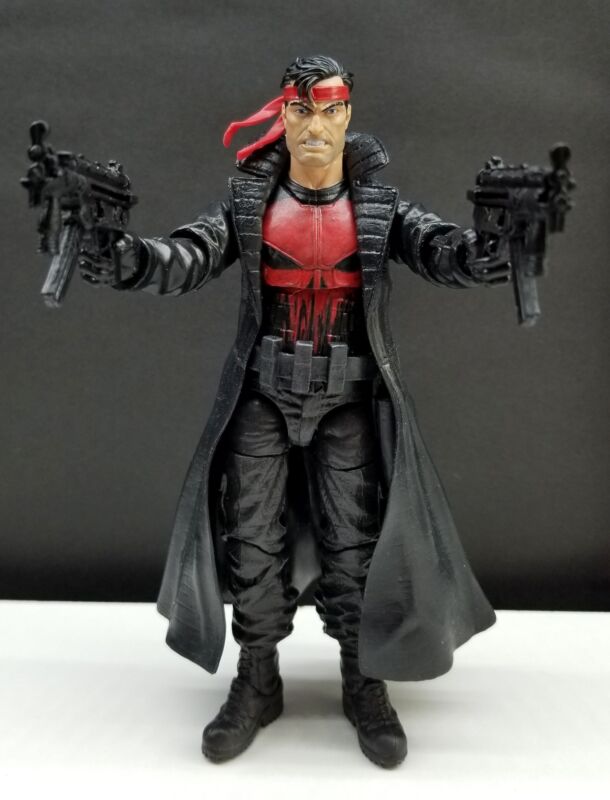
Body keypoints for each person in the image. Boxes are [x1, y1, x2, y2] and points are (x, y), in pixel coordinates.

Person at [80, 55, 509, 768]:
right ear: (282, 116)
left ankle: (363, 680)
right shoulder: (248, 205)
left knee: (357, 548)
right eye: (301, 110)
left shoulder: (379, 209)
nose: (315, 125)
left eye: (329, 111)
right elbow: (185, 255)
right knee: (251, 543)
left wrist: (489, 250)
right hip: (263, 399)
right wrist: (128, 259)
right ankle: (258, 677)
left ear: (346, 116)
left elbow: (443, 250)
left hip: (347, 401)